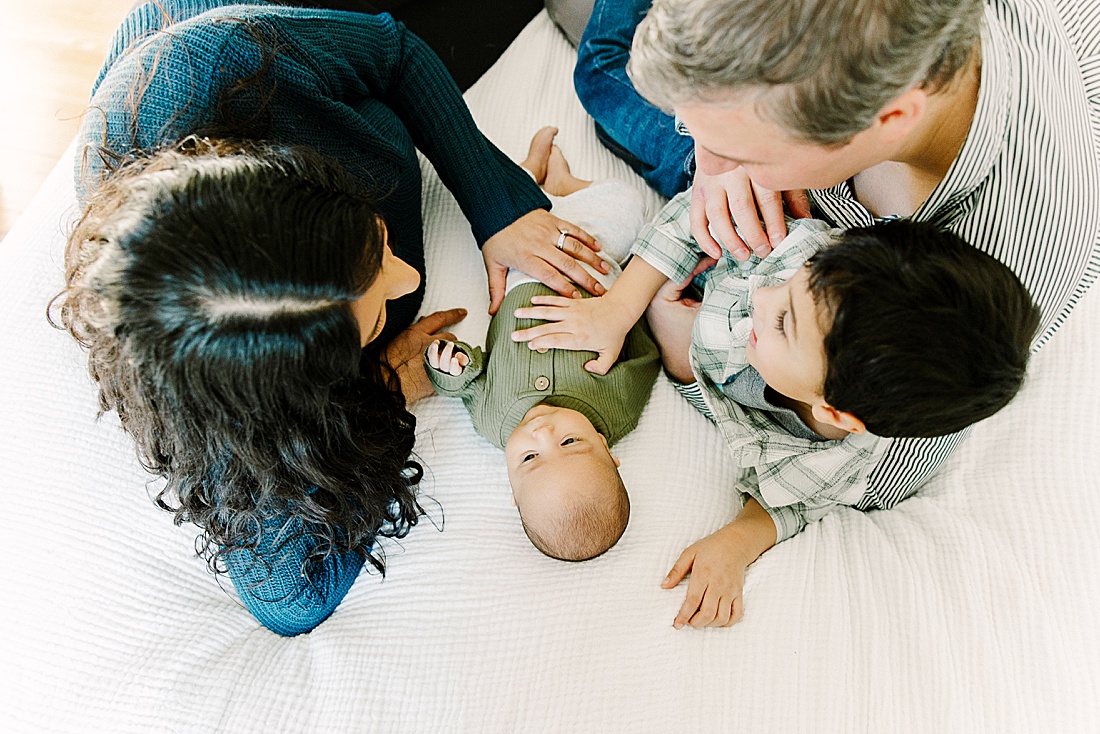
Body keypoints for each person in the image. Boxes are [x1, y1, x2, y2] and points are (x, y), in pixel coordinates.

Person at [56, 0, 609, 636]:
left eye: (374, 240)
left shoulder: (230, 60)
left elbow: (395, 53)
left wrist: (497, 204)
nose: (412, 281)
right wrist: (387, 387)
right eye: (371, 321)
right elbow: (288, 599)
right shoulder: (206, 364)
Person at [568, 0, 1100, 571]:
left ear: (889, 119)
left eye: (743, 151)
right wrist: (719, 143)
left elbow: (876, 457)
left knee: (601, 70)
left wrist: (688, 352)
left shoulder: (985, 271)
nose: (712, 158)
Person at [512, 186, 1040, 627]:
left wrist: (738, 540)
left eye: (783, 322)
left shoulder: (836, 461)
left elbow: (799, 500)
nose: (764, 295)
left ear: (833, 415)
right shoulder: (802, 259)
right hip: (698, 226)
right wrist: (622, 307)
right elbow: (693, 214)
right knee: (603, 79)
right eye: (794, 281)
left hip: (689, 327)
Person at [424, 128, 659, 561]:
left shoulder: (493, 422)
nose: (544, 433)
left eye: (530, 457)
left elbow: (469, 380)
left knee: (511, 212)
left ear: (512, 486)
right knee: (629, 206)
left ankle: (531, 176)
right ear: (609, 452)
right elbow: (645, 357)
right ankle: (564, 184)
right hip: (592, 263)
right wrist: (624, 306)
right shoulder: (618, 408)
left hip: (519, 277)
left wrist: (448, 367)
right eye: (571, 444)